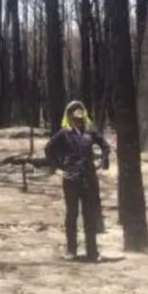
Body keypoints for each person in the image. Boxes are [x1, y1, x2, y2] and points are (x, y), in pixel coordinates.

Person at [44, 100, 110, 261]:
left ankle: (92, 252)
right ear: (69, 116)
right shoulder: (64, 133)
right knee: (72, 214)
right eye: (74, 114)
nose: (78, 118)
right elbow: (48, 149)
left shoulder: (90, 132)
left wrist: (102, 164)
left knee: (89, 215)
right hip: (71, 178)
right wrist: (57, 169)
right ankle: (71, 250)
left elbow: (106, 147)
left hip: (89, 178)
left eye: (80, 113)